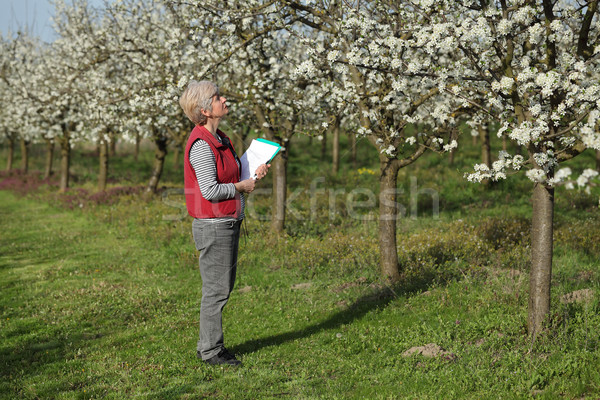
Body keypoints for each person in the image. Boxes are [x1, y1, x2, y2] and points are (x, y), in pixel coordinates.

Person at [179, 80, 269, 366]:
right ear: (205, 110)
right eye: (218, 97)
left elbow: (230, 172)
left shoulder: (221, 139)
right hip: (214, 225)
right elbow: (210, 190)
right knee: (217, 291)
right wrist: (242, 187)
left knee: (221, 288)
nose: (224, 99)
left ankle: (208, 345)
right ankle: (211, 352)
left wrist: (253, 171)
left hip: (226, 223)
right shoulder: (202, 146)